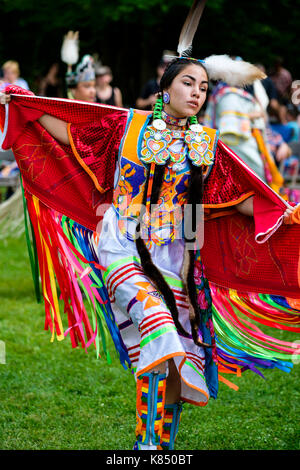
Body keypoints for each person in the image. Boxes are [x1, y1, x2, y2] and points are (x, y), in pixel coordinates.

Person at [1, 3, 300, 451]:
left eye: (203, 86)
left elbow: (240, 197)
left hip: (175, 255)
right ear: (165, 85)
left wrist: (286, 216)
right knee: (158, 325)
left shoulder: (205, 144)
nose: (197, 93)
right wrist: (23, 106)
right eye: (187, 83)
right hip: (122, 241)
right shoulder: (128, 126)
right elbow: (69, 132)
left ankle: (155, 448)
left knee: (172, 354)